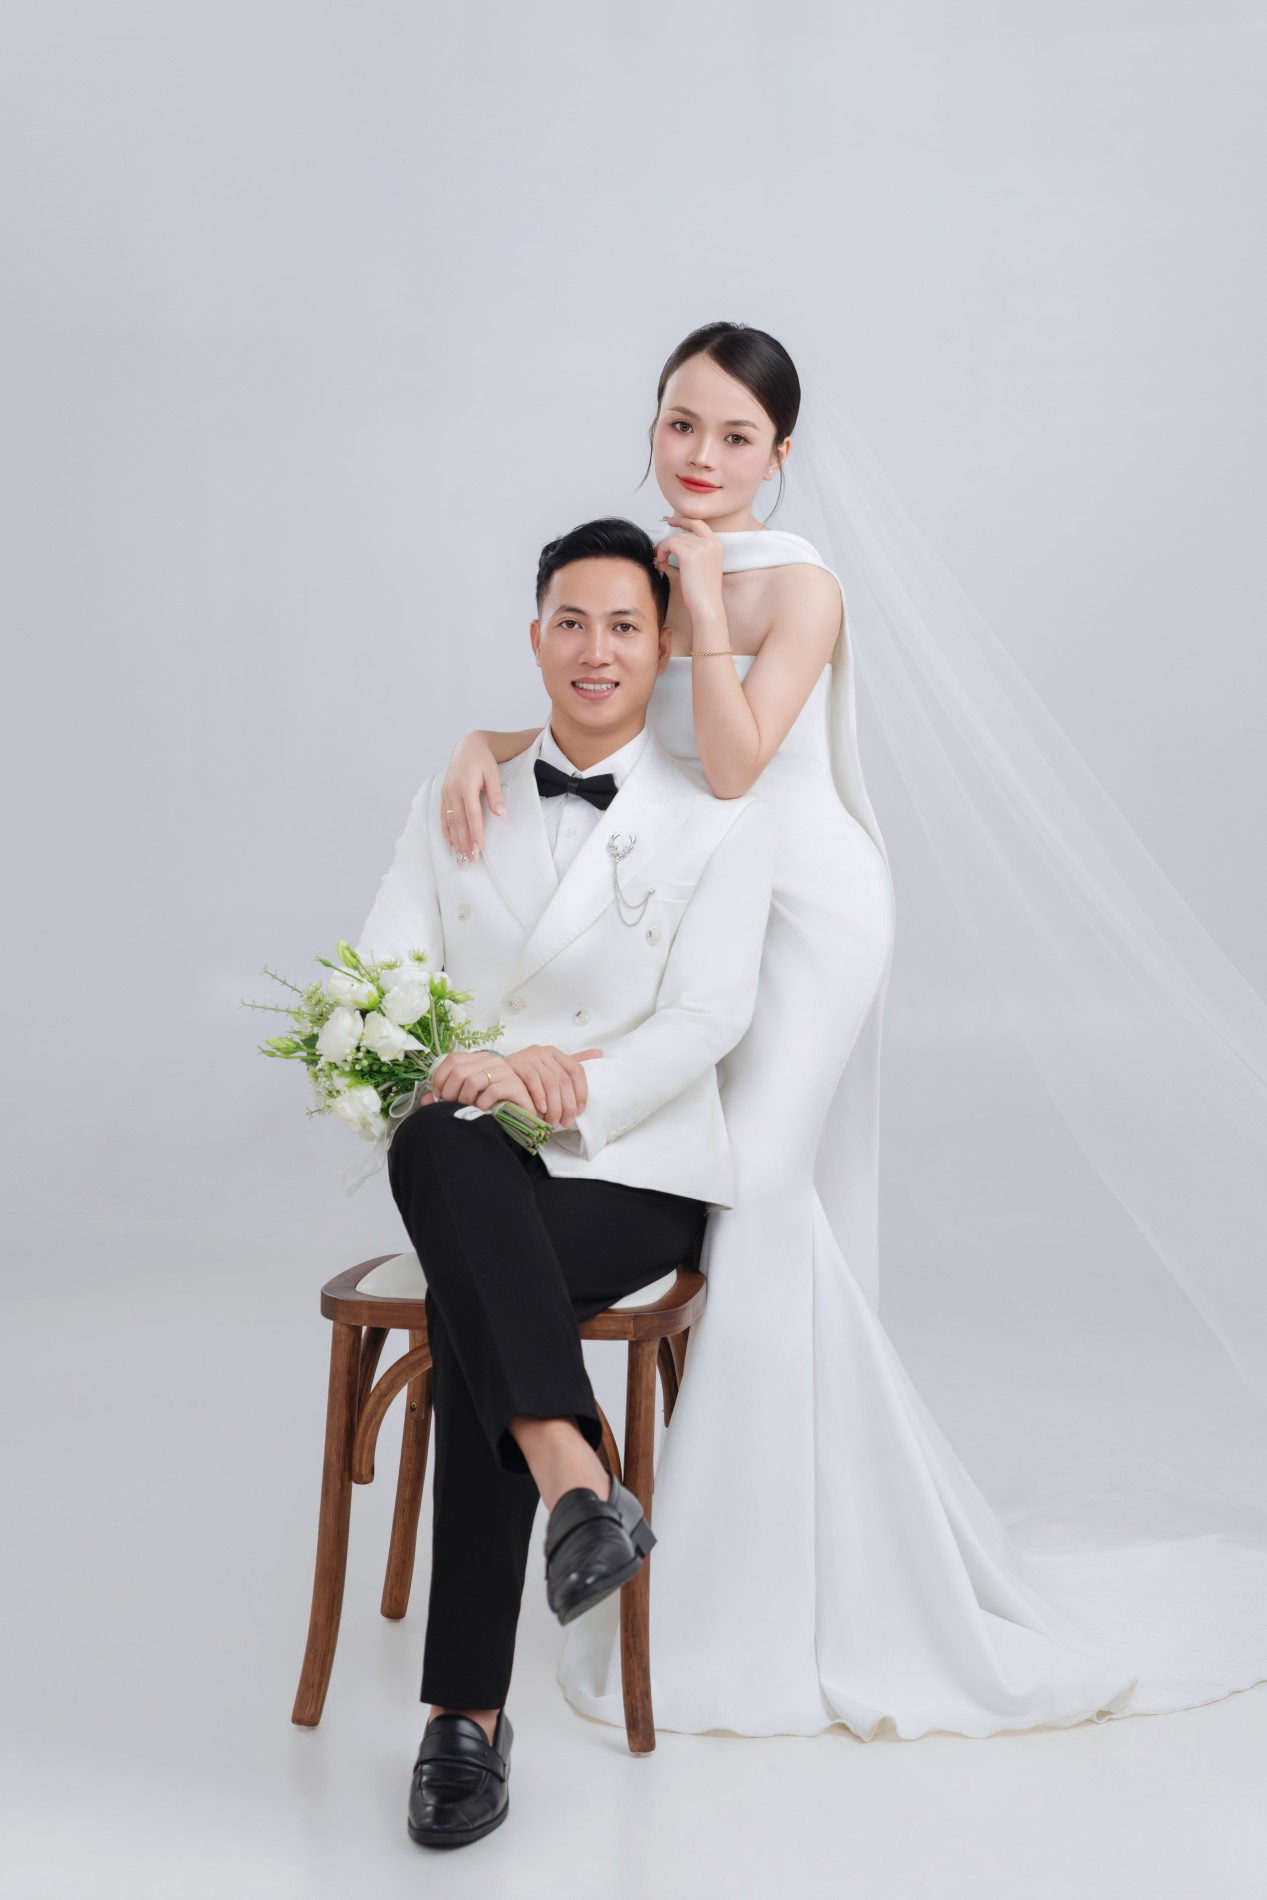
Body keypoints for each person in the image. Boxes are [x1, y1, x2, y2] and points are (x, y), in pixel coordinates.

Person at [438, 322, 1267, 1741]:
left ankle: (761, 1589)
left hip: (809, 919)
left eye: (735, 437)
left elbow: (735, 760)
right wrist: (485, 742)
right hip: (701, 915)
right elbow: (610, 718)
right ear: (653, 425)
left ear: (779, 455)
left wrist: (706, 595)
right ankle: (669, 1522)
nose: (701, 457)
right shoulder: (642, 566)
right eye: (681, 424)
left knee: (758, 1196)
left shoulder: (798, 583)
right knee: (731, 1200)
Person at [354, 514, 775, 1845]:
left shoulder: (717, 818)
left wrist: (564, 1080)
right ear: (533, 639)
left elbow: (708, 1018)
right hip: (472, 1156)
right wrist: (461, 1070)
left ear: (663, 648)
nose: (597, 650)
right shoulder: (457, 797)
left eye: (625, 626)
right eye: (572, 623)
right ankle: (572, 1478)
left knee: (480, 1284)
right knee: (440, 1145)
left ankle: (463, 1717)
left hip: (630, 1169)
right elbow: (382, 982)